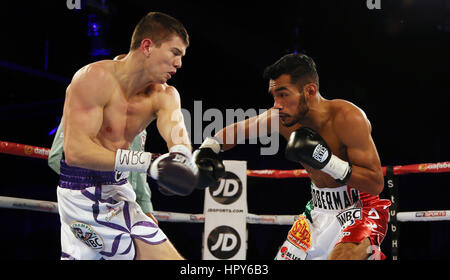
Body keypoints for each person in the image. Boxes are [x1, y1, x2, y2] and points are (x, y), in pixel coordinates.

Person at [57, 11, 223, 260]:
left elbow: (178, 137)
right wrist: (150, 163)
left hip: (119, 190)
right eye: (174, 53)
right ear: (147, 46)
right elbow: (75, 152)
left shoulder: (165, 96)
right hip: (81, 193)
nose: (179, 63)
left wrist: (185, 163)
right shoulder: (94, 79)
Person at [208, 53, 391, 260]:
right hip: (318, 210)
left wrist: (328, 162)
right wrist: (207, 150)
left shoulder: (347, 117)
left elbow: (376, 183)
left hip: (360, 208)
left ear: (310, 90)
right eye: (274, 95)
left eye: (283, 94)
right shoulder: (281, 118)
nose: (277, 104)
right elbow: (238, 131)